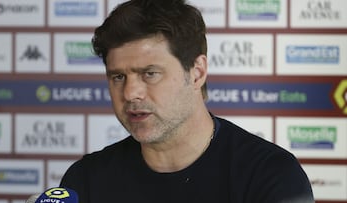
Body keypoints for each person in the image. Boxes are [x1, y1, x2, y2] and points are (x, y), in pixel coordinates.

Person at [60, 0, 314, 202]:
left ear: (197, 72)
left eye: (150, 73)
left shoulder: (271, 176)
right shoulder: (85, 181)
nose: (130, 93)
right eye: (118, 76)